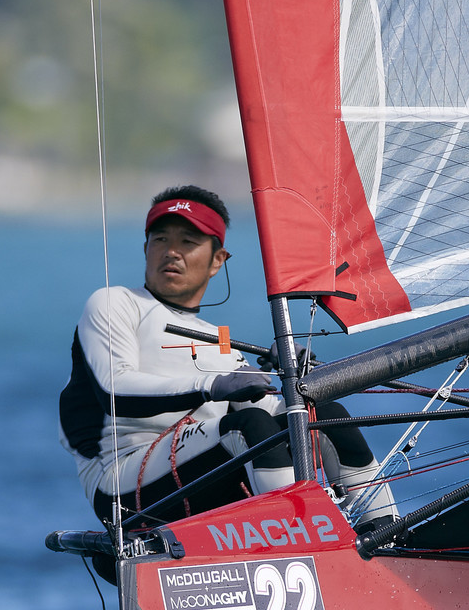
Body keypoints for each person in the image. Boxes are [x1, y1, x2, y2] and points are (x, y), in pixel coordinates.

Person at [59, 185, 394, 544]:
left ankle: (389, 537)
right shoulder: (113, 303)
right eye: (160, 239)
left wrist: (294, 382)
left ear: (218, 260)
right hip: (121, 485)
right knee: (246, 427)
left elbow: (273, 417)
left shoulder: (217, 338)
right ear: (145, 249)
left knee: (325, 414)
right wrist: (212, 385)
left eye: (188, 241)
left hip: (199, 476)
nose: (171, 252)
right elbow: (115, 388)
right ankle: (303, 547)